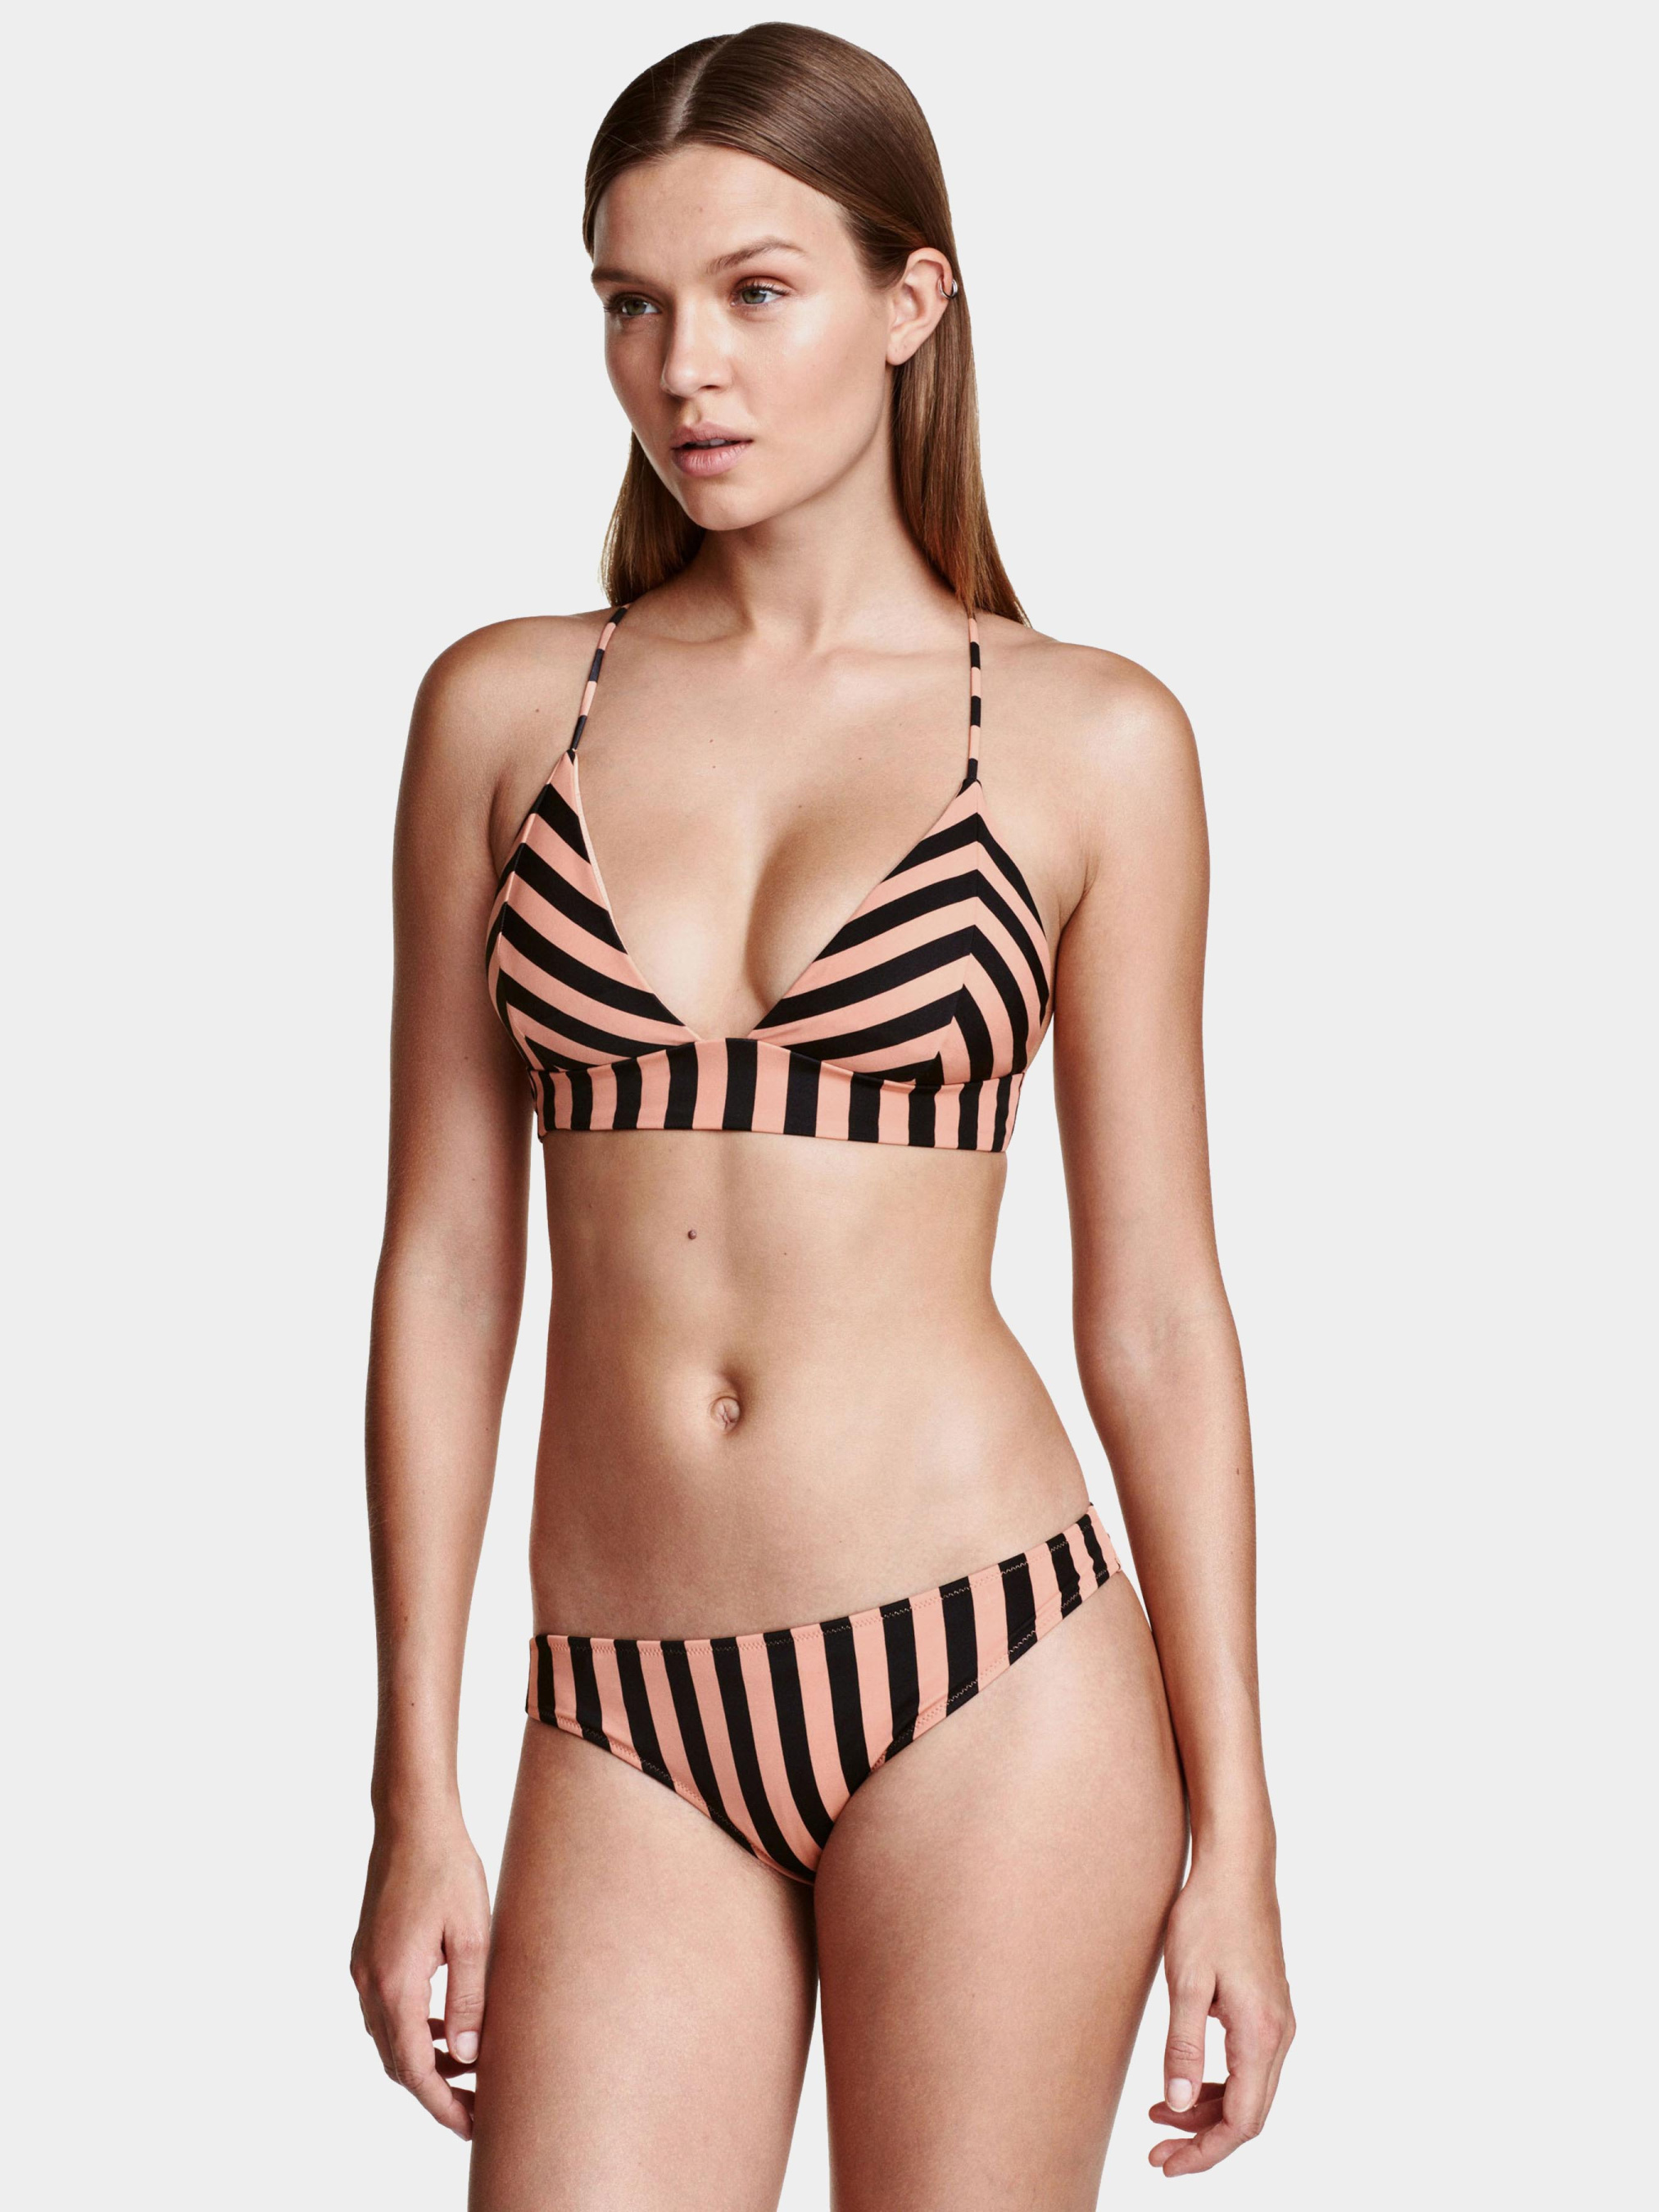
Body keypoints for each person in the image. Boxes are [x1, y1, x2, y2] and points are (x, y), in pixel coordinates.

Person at [350, 23, 1293, 2206]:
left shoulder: (1090, 740)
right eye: (632, 300)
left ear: (908, 301)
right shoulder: (505, 709)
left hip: (990, 1669)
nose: (686, 366)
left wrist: (1239, 1831)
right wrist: (411, 1779)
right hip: (624, 1710)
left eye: (756, 291)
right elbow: (447, 1266)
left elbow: (1156, 1311)